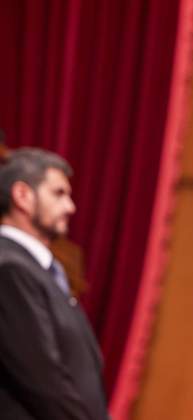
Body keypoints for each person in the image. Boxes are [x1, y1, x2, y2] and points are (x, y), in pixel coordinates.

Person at [0, 148, 109, 420]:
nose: (70, 207)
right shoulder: (10, 268)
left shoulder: (40, 268)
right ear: (22, 195)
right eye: (59, 194)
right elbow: (42, 378)